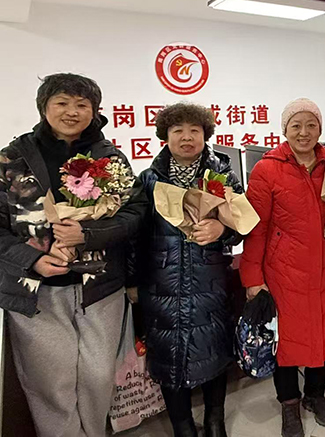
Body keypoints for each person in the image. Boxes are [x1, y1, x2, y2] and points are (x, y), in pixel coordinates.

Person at [0, 73, 146, 437]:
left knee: (98, 376)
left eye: (82, 104)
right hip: (36, 290)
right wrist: (31, 259)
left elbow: (135, 212)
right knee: (51, 383)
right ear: (44, 107)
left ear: (94, 111)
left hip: (100, 286)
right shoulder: (11, 159)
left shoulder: (109, 157)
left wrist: (88, 234)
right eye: (62, 103)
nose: (72, 112)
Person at [241, 98, 325, 437]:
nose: (304, 132)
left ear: (320, 129)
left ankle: (315, 395)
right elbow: (255, 229)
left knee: (323, 336)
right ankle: (289, 404)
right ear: (284, 130)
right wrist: (253, 278)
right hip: (283, 273)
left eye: (311, 125)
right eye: (296, 126)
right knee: (286, 344)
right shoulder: (267, 169)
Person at [132, 103, 243, 437]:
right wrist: (131, 281)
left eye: (194, 130)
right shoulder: (149, 179)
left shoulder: (222, 175)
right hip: (161, 283)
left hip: (210, 281)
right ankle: (182, 425)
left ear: (205, 135)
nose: (186, 137)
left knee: (215, 352)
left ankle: (214, 421)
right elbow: (134, 236)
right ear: (165, 135)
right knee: (168, 357)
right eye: (177, 130)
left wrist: (222, 230)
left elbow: (244, 225)